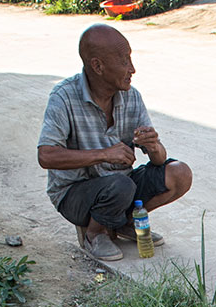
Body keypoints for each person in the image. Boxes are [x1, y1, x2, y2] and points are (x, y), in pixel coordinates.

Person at [38, 24, 193, 262]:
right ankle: (95, 233)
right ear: (98, 66)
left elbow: (159, 160)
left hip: (121, 187)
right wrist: (104, 154)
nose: (132, 69)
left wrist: (154, 146)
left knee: (179, 173)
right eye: (124, 61)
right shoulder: (64, 97)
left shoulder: (131, 96)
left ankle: (123, 222)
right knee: (121, 185)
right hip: (75, 194)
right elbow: (46, 156)